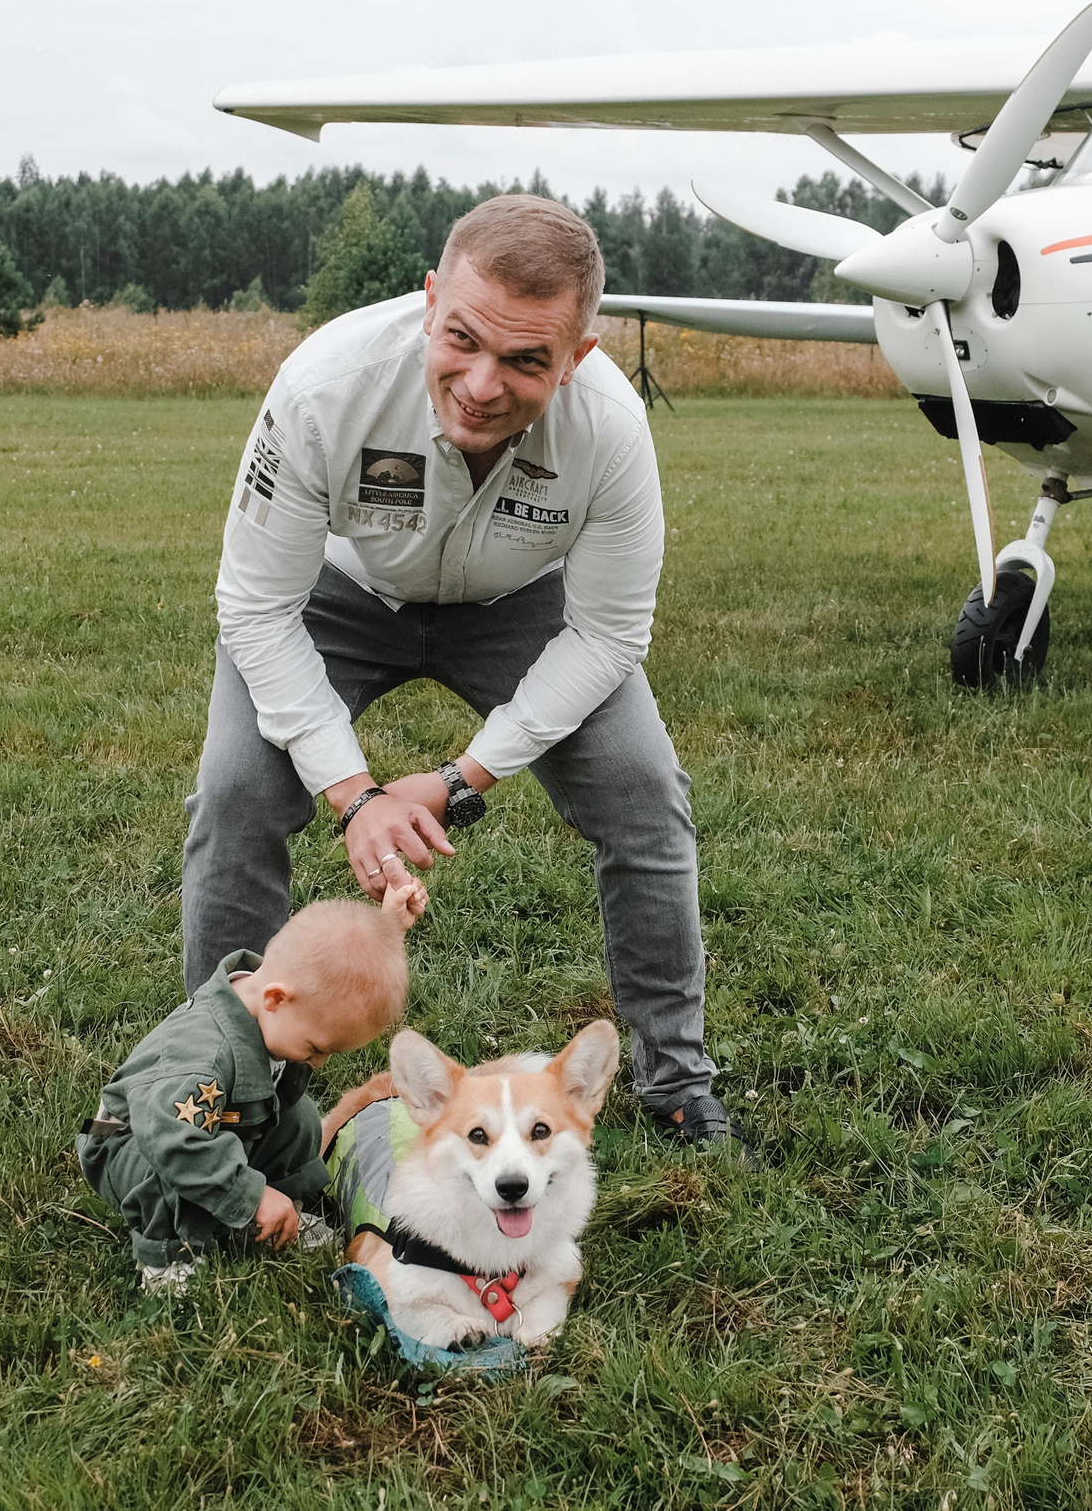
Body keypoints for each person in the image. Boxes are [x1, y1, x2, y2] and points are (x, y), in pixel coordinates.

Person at [180, 194, 734, 1150]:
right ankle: (217, 1071)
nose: (481, 384)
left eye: (527, 361)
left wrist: (456, 781)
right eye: (462, 339)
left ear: (579, 355)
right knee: (236, 789)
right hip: (337, 596)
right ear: (431, 299)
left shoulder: (612, 429)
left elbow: (607, 635)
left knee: (644, 789)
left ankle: (676, 1077)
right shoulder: (325, 384)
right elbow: (257, 609)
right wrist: (355, 796)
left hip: (522, 604)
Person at [77, 885, 420, 1292]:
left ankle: (267, 1216)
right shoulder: (206, 1057)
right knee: (167, 1176)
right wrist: (250, 1194)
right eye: (315, 1047)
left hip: (219, 1120)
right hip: (134, 1142)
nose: (319, 1061)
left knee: (301, 1119)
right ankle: (168, 1257)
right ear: (277, 999)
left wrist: (390, 928)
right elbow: (172, 1139)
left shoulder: (271, 1005)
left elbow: (348, 970)